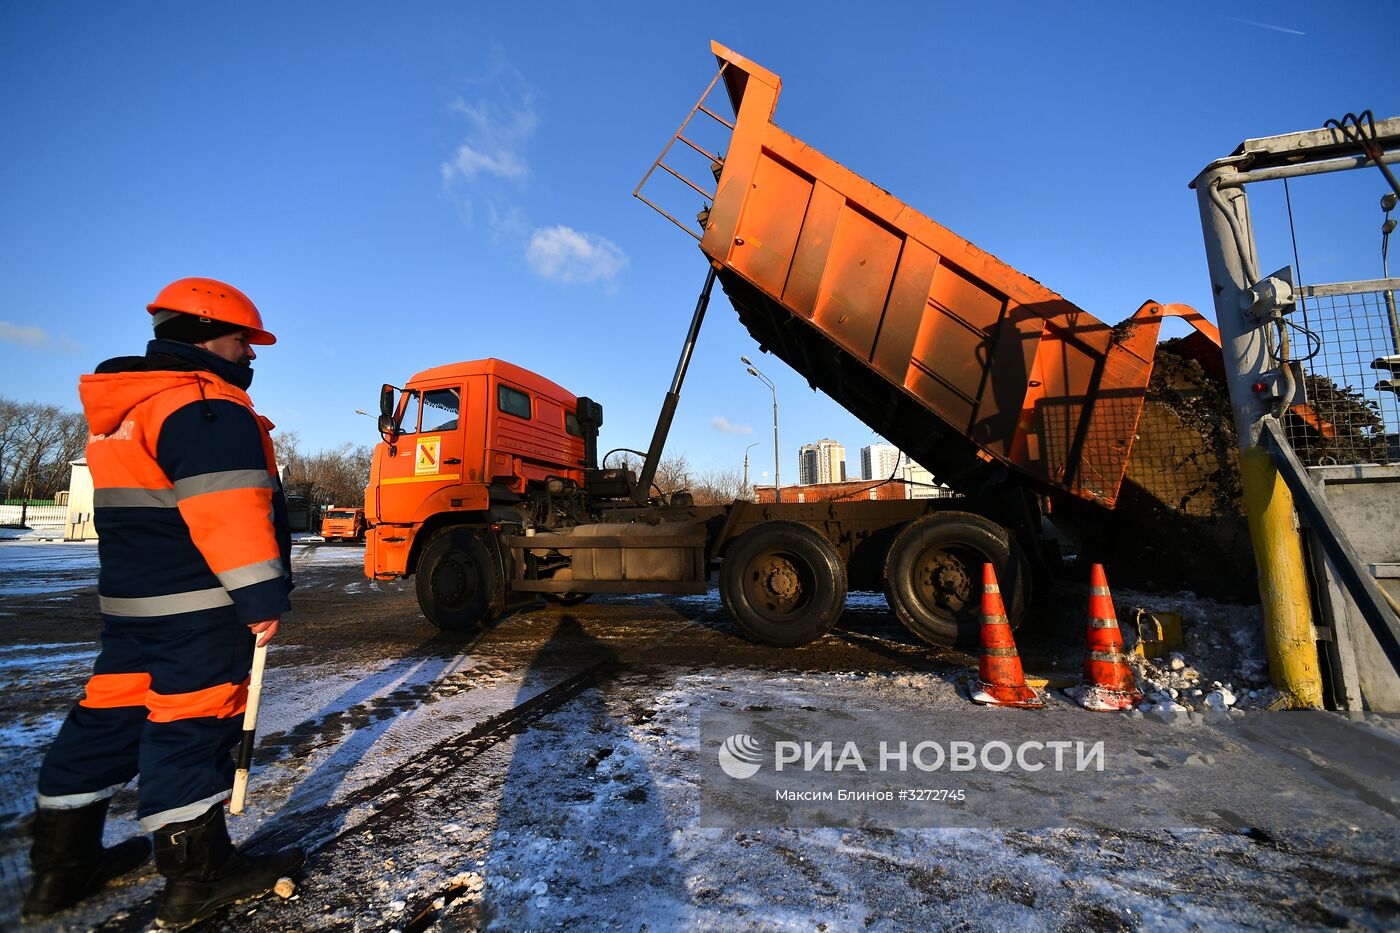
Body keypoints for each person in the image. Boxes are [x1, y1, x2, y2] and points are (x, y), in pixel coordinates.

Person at [24, 277, 304, 926]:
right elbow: (228, 511)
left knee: (108, 718)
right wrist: (261, 596)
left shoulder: (125, 415)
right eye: (242, 341)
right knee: (192, 724)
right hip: (198, 610)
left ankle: (58, 868)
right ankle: (197, 877)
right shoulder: (208, 408)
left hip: (132, 609)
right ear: (206, 335)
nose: (250, 356)